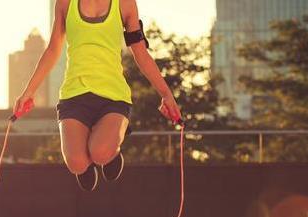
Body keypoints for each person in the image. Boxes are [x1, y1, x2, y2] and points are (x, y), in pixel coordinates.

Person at [13, 0, 182, 191]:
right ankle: (90, 159)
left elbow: (141, 53)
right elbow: (53, 49)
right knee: (76, 163)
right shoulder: (65, 4)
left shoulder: (125, 4)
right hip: (74, 95)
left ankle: (111, 151)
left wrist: (166, 94)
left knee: (100, 152)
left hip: (113, 97)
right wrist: (29, 91)